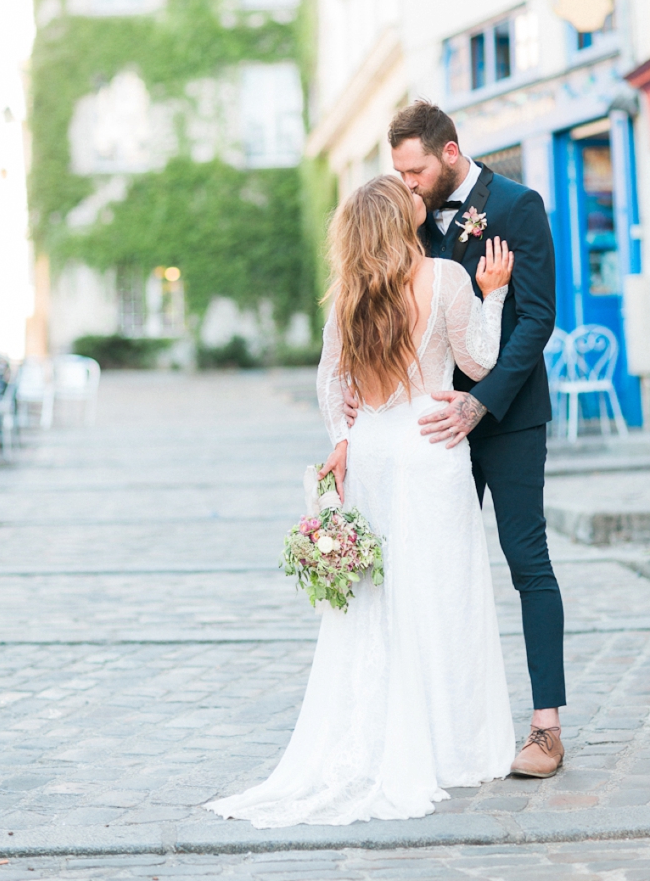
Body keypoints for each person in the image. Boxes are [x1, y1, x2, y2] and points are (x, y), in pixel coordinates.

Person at [206, 175, 516, 827]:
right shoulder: (446, 279)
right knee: (442, 594)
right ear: (398, 224)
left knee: (377, 599)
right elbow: (481, 363)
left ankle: (373, 734)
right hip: (430, 451)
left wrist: (345, 436)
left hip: (373, 450)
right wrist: (495, 295)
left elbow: (331, 384)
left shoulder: (347, 296)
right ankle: (448, 745)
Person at [340, 101, 566, 779]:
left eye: (414, 171)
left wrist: (480, 403)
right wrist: (365, 386)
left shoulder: (520, 206)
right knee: (432, 568)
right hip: (430, 431)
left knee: (527, 561)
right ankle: (440, 723)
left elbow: (537, 320)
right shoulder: (408, 219)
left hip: (507, 417)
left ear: (449, 152)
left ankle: (546, 728)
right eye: (398, 173)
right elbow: (394, 309)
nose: (406, 185)